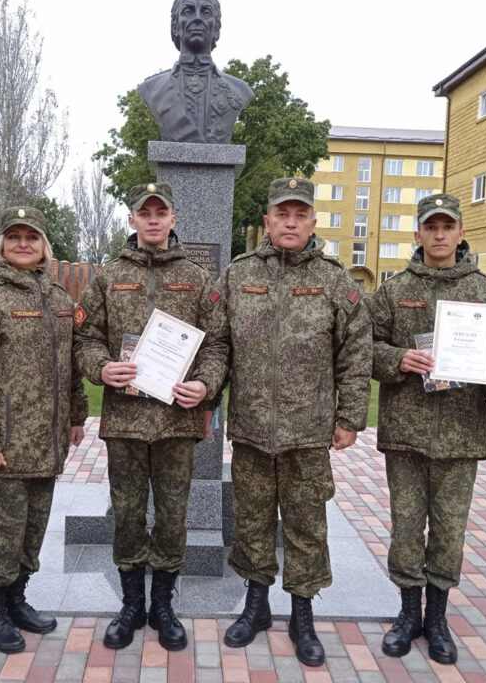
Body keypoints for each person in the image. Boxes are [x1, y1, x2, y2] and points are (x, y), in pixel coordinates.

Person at [217, 178, 371, 667]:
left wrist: (349, 416)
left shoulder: (334, 280)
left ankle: (302, 615)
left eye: (299, 214)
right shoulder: (238, 276)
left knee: (307, 526)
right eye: (281, 213)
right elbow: (218, 345)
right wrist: (205, 399)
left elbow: (357, 353)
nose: (290, 222)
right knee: (253, 521)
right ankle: (256, 605)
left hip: (309, 433)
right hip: (252, 429)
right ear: (266, 221)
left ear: (312, 222)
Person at [367, 193, 486, 665]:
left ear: (460, 233)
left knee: (450, 532)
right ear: (417, 234)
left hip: (460, 435)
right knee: (406, 527)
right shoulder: (394, 290)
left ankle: (437, 618)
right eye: (430, 226)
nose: (439, 234)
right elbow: (364, 344)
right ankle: (407, 614)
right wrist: (398, 358)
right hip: (407, 434)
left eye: (447, 226)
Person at [73, 182, 228, 652]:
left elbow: (217, 344)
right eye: (146, 213)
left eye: (162, 213)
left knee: (172, 517)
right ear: (133, 221)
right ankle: (130, 604)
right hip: (124, 422)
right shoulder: (107, 276)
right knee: (127, 515)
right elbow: (86, 338)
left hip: (177, 423)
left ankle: (163, 604)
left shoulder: (200, 278)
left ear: (173, 220)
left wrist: (205, 385)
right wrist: (101, 367)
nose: (154, 220)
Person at [0, 207, 88, 654]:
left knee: (34, 525)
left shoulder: (60, 300)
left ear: (45, 246)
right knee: (3, 529)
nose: (23, 244)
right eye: (14, 237)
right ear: (1, 246)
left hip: (46, 441)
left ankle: (17, 598)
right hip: (7, 442)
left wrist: (76, 416)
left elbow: (70, 368)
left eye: (31, 237)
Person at [138, 0, 253, 144]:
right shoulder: (154, 88)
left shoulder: (239, 90)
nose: (198, 18)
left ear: (216, 29)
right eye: (188, 11)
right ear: (175, 27)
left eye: (206, 12)